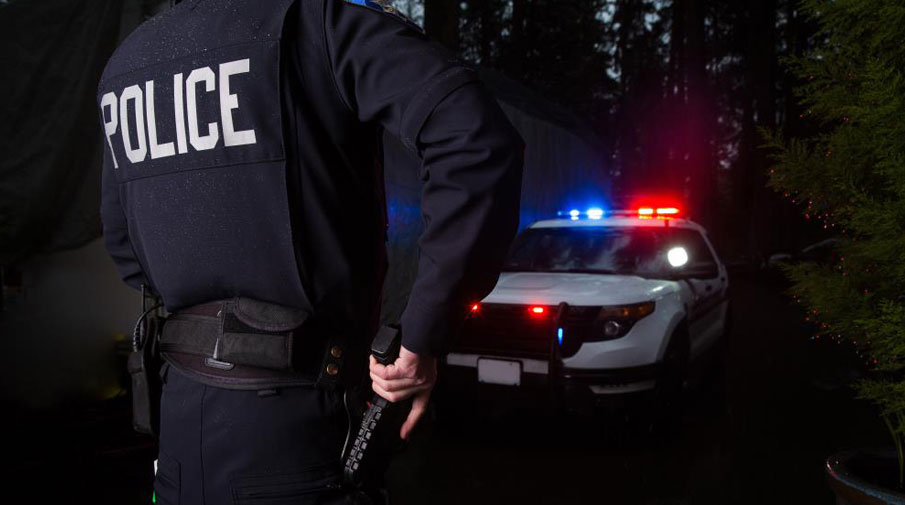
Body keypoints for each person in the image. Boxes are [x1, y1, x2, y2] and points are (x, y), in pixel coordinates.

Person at [97, 0, 523, 502]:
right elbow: (473, 139)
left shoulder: (127, 63)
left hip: (179, 429)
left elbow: (124, 246)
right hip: (301, 430)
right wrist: (422, 333)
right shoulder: (320, 24)